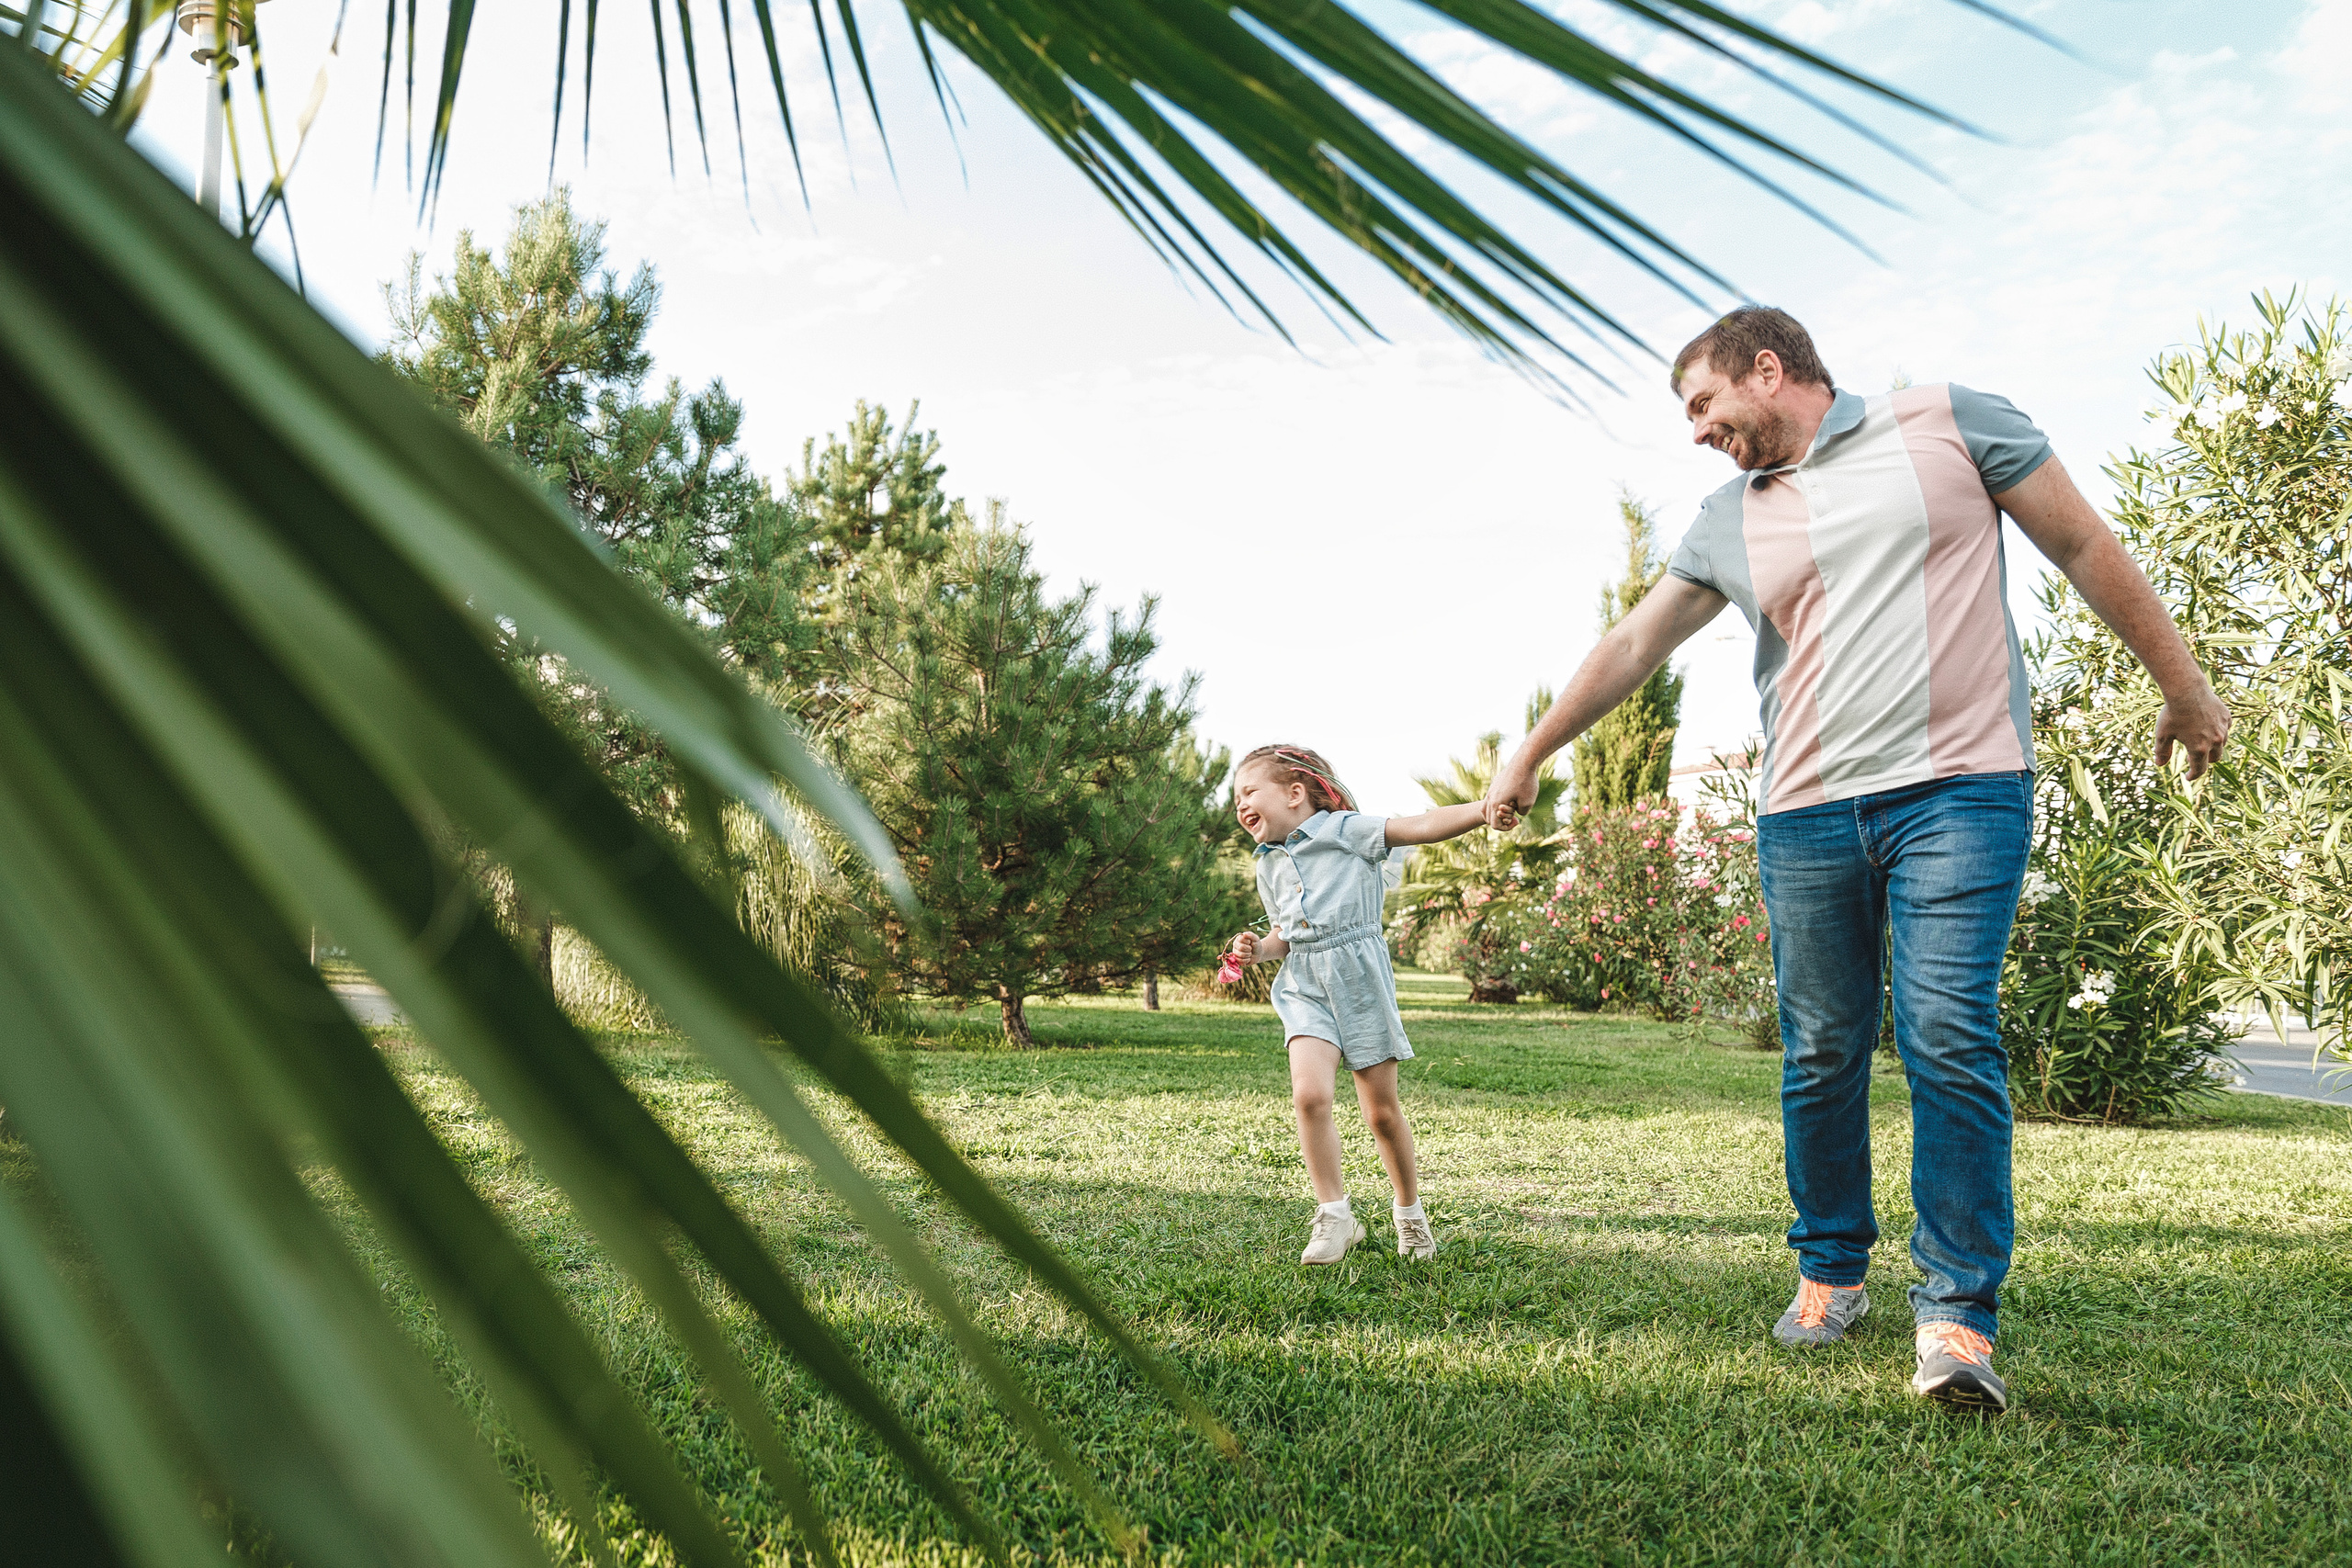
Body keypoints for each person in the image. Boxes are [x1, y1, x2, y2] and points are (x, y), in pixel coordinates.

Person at [1483, 308, 2231, 1413]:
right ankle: (1831, 1271)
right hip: (1806, 813)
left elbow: (2079, 544)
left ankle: (1958, 1318)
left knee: (1946, 1033)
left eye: (1702, 403)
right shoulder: (1728, 519)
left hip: (1962, 789)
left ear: (1767, 369)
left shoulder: (1949, 423)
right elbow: (1633, 644)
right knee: (1822, 1049)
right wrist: (1534, 749)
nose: (1695, 431)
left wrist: (2185, 684)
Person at [1223, 744, 1515, 1266]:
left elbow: (1419, 826)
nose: (1239, 804)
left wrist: (1482, 809)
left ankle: (1410, 1214)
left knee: (1380, 1113)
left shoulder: (1345, 831)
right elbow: (1283, 935)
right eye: (1235, 797)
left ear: (1294, 792)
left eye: (1249, 791)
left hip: (1358, 981)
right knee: (1310, 1097)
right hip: (1304, 984)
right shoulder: (1267, 864)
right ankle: (1335, 1216)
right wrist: (1257, 949)